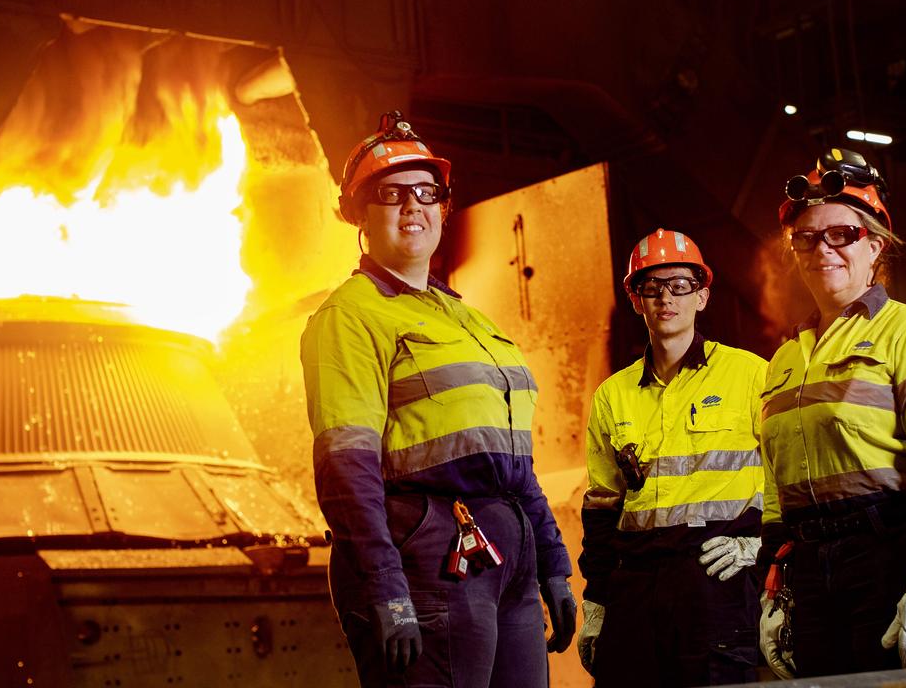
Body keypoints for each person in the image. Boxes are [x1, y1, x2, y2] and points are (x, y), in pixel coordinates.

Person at [301, 111, 577, 688]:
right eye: (391, 193)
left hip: (506, 557)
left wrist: (552, 563)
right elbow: (345, 468)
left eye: (427, 192)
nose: (413, 206)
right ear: (359, 214)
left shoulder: (466, 317)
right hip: (427, 559)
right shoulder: (351, 316)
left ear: (443, 208)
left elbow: (514, 465)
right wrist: (384, 587)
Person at [754, 148, 906, 678]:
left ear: (876, 245)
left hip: (898, 558)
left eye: (842, 234)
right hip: (816, 574)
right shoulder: (787, 359)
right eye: (807, 237)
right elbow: (776, 482)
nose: (823, 249)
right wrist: (776, 583)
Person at [576, 228, 767, 687]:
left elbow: (791, 477)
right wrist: (597, 602)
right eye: (652, 287)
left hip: (713, 578)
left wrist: (759, 546)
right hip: (635, 588)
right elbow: (601, 508)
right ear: (635, 299)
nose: (667, 298)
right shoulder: (612, 396)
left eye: (680, 285)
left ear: (702, 296)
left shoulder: (750, 375)